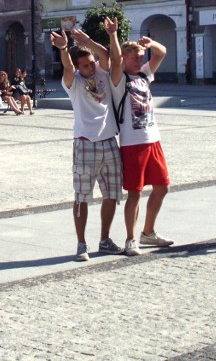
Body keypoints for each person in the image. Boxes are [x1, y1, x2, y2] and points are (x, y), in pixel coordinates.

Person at [50, 27, 124, 261]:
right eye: (86, 65)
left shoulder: (102, 73)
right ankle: (81, 244)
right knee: (82, 196)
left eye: (91, 63)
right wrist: (64, 48)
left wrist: (89, 41)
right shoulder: (73, 83)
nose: (91, 67)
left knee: (112, 194)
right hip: (85, 144)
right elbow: (68, 68)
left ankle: (105, 240)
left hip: (109, 141)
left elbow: (108, 56)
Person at [107, 18, 174, 256]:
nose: (140, 60)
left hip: (152, 139)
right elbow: (114, 60)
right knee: (134, 192)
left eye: (141, 57)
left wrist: (150, 43)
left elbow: (161, 53)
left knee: (163, 187)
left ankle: (148, 232)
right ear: (125, 59)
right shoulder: (118, 80)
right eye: (135, 57)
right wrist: (113, 35)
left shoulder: (145, 75)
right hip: (132, 144)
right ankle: (130, 239)